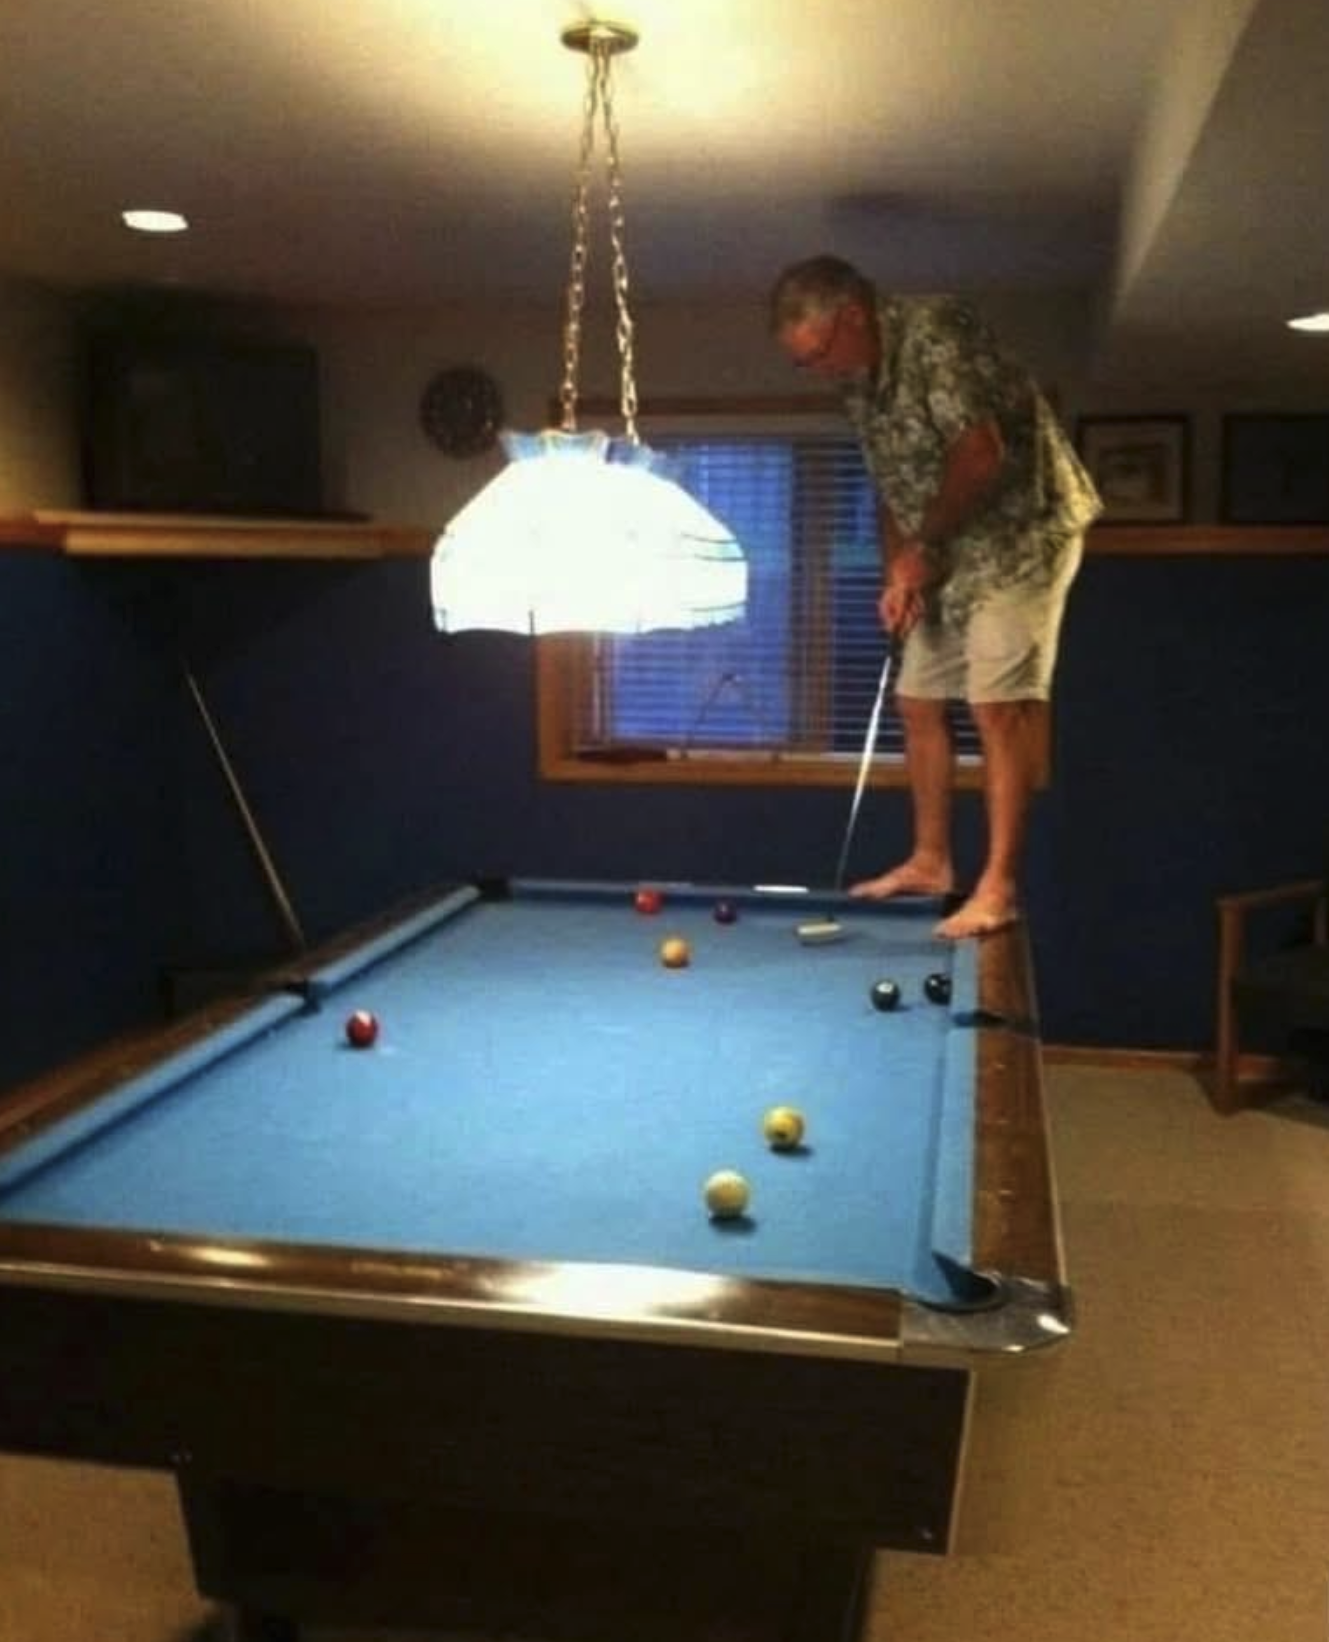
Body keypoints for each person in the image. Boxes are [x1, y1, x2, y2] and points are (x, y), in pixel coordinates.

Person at [770, 254, 1101, 939]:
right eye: (803, 363)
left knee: (995, 704)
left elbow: (978, 452)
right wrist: (897, 571)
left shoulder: (937, 331)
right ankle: (930, 862)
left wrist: (922, 550)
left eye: (818, 353)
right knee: (917, 698)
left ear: (853, 316)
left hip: (1023, 536)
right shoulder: (858, 383)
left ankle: (997, 887)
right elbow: (895, 485)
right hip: (946, 547)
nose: (817, 370)